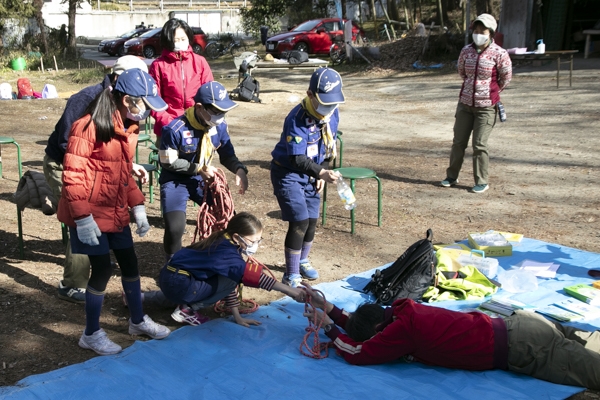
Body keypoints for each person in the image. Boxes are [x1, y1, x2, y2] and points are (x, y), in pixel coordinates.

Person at [57, 68, 171, 355]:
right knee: (103, 270)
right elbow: (72, 176)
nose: (146, 113)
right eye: (144, 105)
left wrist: (139, 206)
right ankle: (91, 334)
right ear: (127, 100)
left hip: (115, 211)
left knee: (130, 263)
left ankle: (137, 320)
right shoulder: (87, 126)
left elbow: (122, 176)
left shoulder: (127, 129)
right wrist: (82, 218)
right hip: (90, 215)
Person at [301, 282, 600, 390]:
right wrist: (329, 308)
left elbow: (360, 353)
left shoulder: (402, 331)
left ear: (380, 330)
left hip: (525, 349)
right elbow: (361, 326)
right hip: (525, 324)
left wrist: (328, 326)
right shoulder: (404, 311)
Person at [44, 55, 151, 304]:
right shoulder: (85, 99)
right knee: (81, 218)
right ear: (119, 79)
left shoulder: (126, 105)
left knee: (99, 223)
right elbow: (69, 145)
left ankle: (98, 258)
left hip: (93, 166)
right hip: (64, 164)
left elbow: (114, 146)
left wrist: (125, 165)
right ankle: (74, 283)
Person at [159, 212, 304, 326]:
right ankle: (187, 309)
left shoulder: (224, 240)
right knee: (230, 280)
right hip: (178, 284)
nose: (256, 245)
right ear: (237, 237)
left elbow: (230, 279)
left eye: (259, 240)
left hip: (171, 278)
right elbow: (252, 277)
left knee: (229, 279)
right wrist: (289, 290)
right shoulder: (226, 254)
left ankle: (163, 298)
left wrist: (238, 317)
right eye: (253, 241)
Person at [270, 67, 344, 288]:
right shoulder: (296, 118)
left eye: (333, 103)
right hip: (289, 173)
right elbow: (296, 158)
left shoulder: (332, 112)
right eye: (325, 102)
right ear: (310, 95)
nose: (329, 108)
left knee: (312, 220)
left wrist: (322, 170)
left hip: (313, 173)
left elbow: (328, 146)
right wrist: (320, 172)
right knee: (299, 219)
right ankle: (290, 274)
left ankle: (302, 260)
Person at [159, 81, 248, 262]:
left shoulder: (219, 127)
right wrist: (197, 169)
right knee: (175, 227)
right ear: (200, 107)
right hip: (176, 181)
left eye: (224, 111)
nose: (221, 116)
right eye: (216, 111)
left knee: (229, 218)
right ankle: (172, 265)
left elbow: (227, 154)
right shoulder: (174, 129)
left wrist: (239, 169)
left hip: (204, 179)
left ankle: (223, 258)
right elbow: (167, 162)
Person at [440, 13, 512, 194]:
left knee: (479, 145)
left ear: (491, 33)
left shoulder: (500, 54)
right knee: (458, 142)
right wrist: (471, 89)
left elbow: (506, 78)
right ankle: (452, 176)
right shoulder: (466, 51)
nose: (478, 34)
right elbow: (462, 72)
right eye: (476, 30)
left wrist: (490, 92)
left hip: (486, 107)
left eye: (483, 31)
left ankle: (481, 181)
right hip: (465, 105)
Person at [149, 18, 214, 148]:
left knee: (197, 166)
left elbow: (210, 94)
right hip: (168, 126)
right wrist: (169, 122)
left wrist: (200, 119)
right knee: (171, 165)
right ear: (168, 41)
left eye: (183, 39)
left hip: (197, 124)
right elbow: (153, 99)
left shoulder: (200, 62)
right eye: (176, 40)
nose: (180, 43)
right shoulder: (158, 65)